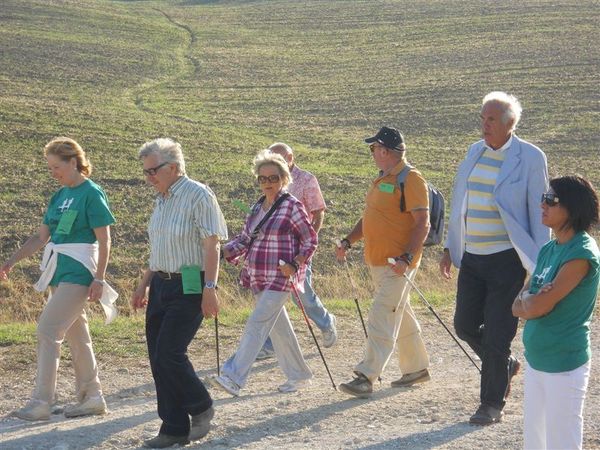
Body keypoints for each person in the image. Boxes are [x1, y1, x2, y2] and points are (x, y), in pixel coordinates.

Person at [440, 91, 550, 425]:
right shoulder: (475, 151)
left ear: (509, 124)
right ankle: (504, 366)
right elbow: (461, 201)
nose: (483, 124)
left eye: (490, 119)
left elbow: (538, 210)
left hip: (507, 259)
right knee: (464, 324)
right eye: (482, 118)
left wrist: (538, 263)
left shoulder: (529, 157)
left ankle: (491, 404)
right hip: (473, 257)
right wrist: (449, 246)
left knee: (498, 333)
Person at [0, 137, 116, 421]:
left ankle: (41, 402)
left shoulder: (91, 192)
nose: (52, 172)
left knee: (47, 329)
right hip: (58, 273)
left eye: (56, 166)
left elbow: (105, 239)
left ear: (73, 162)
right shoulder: (59, 196)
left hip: (79, 272)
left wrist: (99, 279)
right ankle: (92, 397)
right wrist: (10, 262)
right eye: (49, 167)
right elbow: (41, 238)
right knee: (78, 336)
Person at [131, 138, 227, 448]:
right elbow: (158, 248)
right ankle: (172, 427)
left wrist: (209, 288)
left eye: (153, 171)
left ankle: (200, 405)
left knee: (169, 353)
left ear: (173, 167)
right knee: (157, 358)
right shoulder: (162, 198)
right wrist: (144, 283)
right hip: (161, 283)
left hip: (191, 283)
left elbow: (212, 245)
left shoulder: (199, 195)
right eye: (145, 172)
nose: (149, 178)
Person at [208, 149, 317, 396]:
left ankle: (234, 377)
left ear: (284, 178)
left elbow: (310, 239)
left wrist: (296, 264)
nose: (268, 183)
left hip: (281, 277)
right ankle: (299, 376)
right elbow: (246, 239)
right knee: (279, 330)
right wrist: (220, 252)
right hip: (258, 276)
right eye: (263, 178)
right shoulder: (257, 207)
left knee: (256, 324)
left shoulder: (292, 206)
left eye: (274, 178)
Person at [336, 126, 431, 398]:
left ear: (387, 151)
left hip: (398, 265)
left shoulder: (411, 178)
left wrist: (407, 257)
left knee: (381, 315)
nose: (373, 154)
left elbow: (422, 223)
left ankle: (366, 375)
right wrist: (347, 241)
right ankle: (416, 369)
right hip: (380, 262)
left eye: (375, 149)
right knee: (398, 314)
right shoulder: (382, 179)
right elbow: (370, 218)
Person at [512, 175, 599, 450]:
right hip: (538, 360)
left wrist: (532, 300)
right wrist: (532, 298)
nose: (543, 204)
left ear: (571, 208)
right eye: (543, 198)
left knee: (561, 444)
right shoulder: (551, 249)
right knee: (535, 444)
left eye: (551, 200)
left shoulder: (580, 254)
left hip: (564, 364)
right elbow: (517, 305)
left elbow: (534, 306)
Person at [252, 142, 336, 360]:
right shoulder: (270, 179)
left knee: (301, 295)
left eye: (280, 157)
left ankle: (326, 322)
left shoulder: (307, 179)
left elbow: (318, 213)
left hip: (299, 250)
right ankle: (270, 344)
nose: (276, 161)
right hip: (274, 249)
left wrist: (307, 243)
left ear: (291, 157)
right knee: (270, 297)